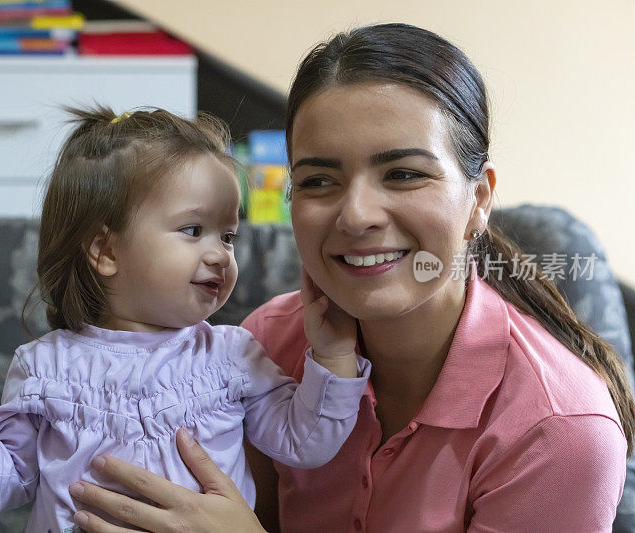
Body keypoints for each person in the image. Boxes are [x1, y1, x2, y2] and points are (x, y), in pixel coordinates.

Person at [66, 23, 635, 532]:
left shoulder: (559, 430)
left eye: (405, 173)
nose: (356, 214)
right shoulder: (268, 345)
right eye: (318, 181)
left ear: (479, 198)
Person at [0, 106, 371, 532]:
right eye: (193, 230)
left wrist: (331, 354)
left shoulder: (233, 355)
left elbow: (304, 442)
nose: (221, 255)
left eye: (227, 235)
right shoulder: (45, 366)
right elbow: (15, 481)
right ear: (106, 250)